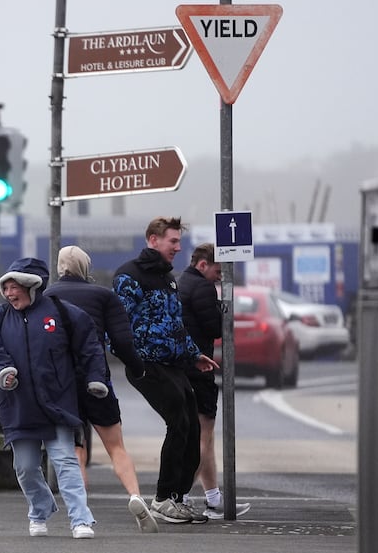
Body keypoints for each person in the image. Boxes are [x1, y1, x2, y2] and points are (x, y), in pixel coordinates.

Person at [0, 257, 107, 539]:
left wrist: (96, 378)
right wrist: (4, 372)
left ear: (32, 286)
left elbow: (90, 347)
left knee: (65, 460)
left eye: (15, 287)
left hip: (57, 403)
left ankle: (80, 520)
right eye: (6, 288)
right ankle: (39, 510)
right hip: (19, 406)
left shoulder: (63, 313)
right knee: (24, 467)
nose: (10, 293)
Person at [43, 245, 159, 534]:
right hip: (96, 380)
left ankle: (82, 512)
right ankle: (134, 495)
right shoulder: (104, 295)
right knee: (116, 447)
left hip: (62, 385)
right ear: (86, 267)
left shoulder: (45, 298)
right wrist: (137, 368)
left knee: (75, 451)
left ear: (60, 267)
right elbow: (122, 340)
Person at [112, 217, 219, 524]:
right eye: (172, 241)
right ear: (153, 240)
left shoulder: (168, 278)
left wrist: (193, 354)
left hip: (172, 363)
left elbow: (176, 325)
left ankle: (176, 497)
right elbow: (118, 325)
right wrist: (133, 361)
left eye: (178, 241)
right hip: (146, 363)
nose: (177, 247)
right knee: (178, 421)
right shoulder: (128, 276)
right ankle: (162, 498)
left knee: (191, 426)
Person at [178, 243, 251, 519]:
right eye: (218, 271)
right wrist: (223, 309)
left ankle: (213, 498)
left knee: (201, 435)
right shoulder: (202, 288)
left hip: (185, 367)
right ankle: (180, 496)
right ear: (203, 265)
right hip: (201, 367)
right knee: (203, 436)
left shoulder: (182, 282)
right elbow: (214, 329)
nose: (221, 276)